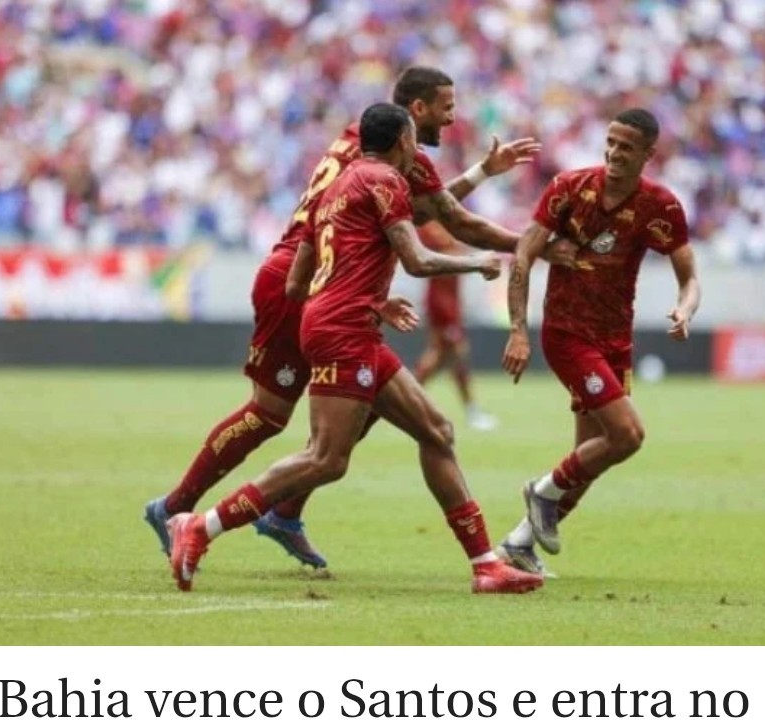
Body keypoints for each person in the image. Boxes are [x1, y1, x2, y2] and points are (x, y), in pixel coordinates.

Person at [143, 66, 549, 569]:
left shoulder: (362, 139)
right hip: (303, 281)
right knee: (272, 415)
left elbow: (420, 211)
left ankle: (284, 511)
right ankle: (177, 509)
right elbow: (449, 220)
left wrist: (483, 174)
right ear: (415, 112)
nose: (452, 118)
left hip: (326, 282)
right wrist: (535, 245)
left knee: (380, 403)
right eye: (446, 107)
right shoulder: (394, 156)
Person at [496, 108, 701, 575]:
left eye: (626, 146)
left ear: (648, 154)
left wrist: (685, 307)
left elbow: (689, 276)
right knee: (628, 435)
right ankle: (541, 491)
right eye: (611, 142)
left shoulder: (661, 206)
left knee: (592, 457)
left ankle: (519, 544)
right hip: (568, 333)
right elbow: (524, 253)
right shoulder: (569, 188)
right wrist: (518, 330)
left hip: (615, 339)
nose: (614, 152)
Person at [413, 221, 498, 431]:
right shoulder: (429, 227)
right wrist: (473, 258)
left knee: (449, 357)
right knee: (453, 354)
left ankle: (409, 397)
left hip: (450, 300)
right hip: (442, 302)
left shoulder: (444, 222)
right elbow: (442, 254)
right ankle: (407, 398)